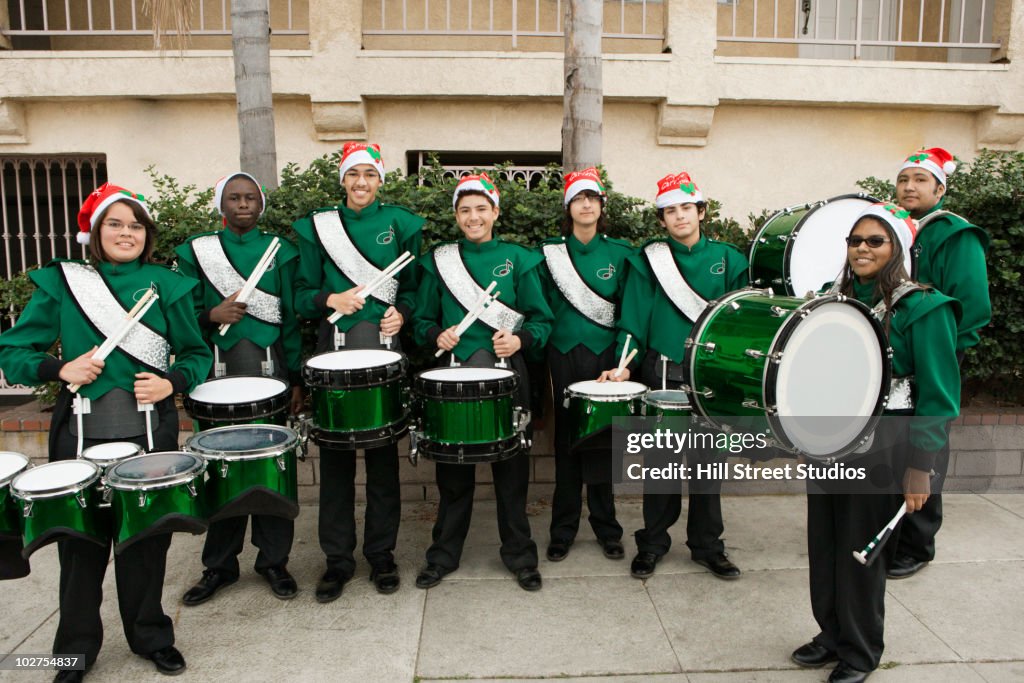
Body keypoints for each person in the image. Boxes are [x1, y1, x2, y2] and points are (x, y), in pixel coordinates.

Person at [0, 184, 213, 681]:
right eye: (114, 223)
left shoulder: (168, 284)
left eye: (135, 225)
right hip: (78, 431)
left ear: (147, 234)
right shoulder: (64, 283)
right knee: (80, 544)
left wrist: (171, 382)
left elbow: (198, 354)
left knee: (145, 540)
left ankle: (151, 637)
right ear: (94, 232)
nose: (126, 233)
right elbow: (12, 351)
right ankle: (72, 652)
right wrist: (59, 370)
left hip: (149, 430)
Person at [791, 202, 960, 683]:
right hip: (829, 442)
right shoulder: (830, 298)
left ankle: (860, 652)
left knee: (861, 551)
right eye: (854, 241)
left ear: (896, 248)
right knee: (824, 544)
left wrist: (921, 465)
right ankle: (830, 634)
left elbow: (939, 396)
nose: (862, 248)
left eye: (874, 241)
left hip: (886, 445)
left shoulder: (923, 307)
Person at [598, 171, 748, 580]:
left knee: (708, 466)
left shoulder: (731, 260)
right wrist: (625, 362)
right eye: (670, 211)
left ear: (701, 212)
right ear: (661, 219)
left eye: (686, 208)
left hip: (710, 375)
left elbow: (738, 325)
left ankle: (707, 546)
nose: (679, 216)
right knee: (660, 464)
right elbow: (634, 318)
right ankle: (652, 543)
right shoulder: (649, 260)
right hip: (662, 370)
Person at [292, 142, 424, 601]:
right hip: (335, 354)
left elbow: (415, 289)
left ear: (380, 180)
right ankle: (337, 561)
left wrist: (402, 314)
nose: (361, 183)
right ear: (342, 180)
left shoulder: (402, 224)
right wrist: (330, 300)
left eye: (369, 174)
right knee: (336, 463)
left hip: (386, 356)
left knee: (384, 462)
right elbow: (300, 294)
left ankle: (382, 556)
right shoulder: (319, 228)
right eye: (353, 175)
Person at [412, 173, 554, 591]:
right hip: (454, 378)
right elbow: (420, 319)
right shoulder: (439, 261)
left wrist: (520, 339)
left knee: (512, 473)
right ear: (456, 216)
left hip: (508, 376)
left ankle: (520, 557)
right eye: (464, 210)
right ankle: (442, 556)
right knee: (453, 476)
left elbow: (543, 319)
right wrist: (435, 334)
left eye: (481, 209)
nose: (473, 217)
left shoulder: (520, 259)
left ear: (495, 212)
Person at [175, 172, 303, 604]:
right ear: (221, 204)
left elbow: (289, 320)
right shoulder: (197, 251)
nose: (243, 203)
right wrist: (213, 314)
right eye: (234, 197)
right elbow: (182, 318)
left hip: (270, 373)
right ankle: (219, 566)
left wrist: (297, 377)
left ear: (260, 205)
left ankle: (274, 561)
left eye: (250, 197)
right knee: (220, 470)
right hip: (217, 376)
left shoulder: (280, 251)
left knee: (272, 469)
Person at [888, 147, 990, 579]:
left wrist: (945, 350)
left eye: (920, 180)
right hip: (896, 353)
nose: (909, 186)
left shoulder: (954, 234)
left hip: (935, 349)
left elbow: (972, 303)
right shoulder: (894, 228)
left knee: (926, 445)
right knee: (892, 445)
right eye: (903, 179)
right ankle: (890, 532)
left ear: (940, 189)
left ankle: (918, 543)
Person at [538, 168, 634, 563]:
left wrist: (625, 360)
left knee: (602, 443)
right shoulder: (548, 255)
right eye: (579, 198)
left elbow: (631, 314)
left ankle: (606, 528)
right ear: (568, 207)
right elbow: (538, 309)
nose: (586, 204)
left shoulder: (622, 255)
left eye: (592, 198)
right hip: (561, 355)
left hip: (604, 359)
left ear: (601, 205)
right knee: (565, 444)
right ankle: (562, 529)